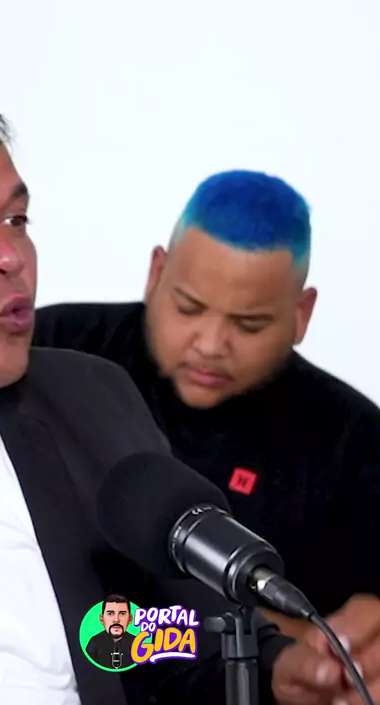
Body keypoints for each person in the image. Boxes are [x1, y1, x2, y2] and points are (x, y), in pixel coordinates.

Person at [0, 81, 377, 705]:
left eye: (16, 220)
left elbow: (169, 650)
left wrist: (284, 697)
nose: (7, 256)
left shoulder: (86, 397)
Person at [34, 169, 380, 637]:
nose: (211, 344)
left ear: (301, 315)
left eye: (249, 325)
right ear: (156, 273)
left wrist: (335, 650)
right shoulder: (53, 351)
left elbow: (354, 635)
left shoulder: (353, 441)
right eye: (189, 308)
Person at [86, 595, 135, 670]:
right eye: (110, 614)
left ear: (130, 618)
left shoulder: (137, 643)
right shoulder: (94, 642)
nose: (116, 620)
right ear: (102, 619)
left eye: (122, 613)